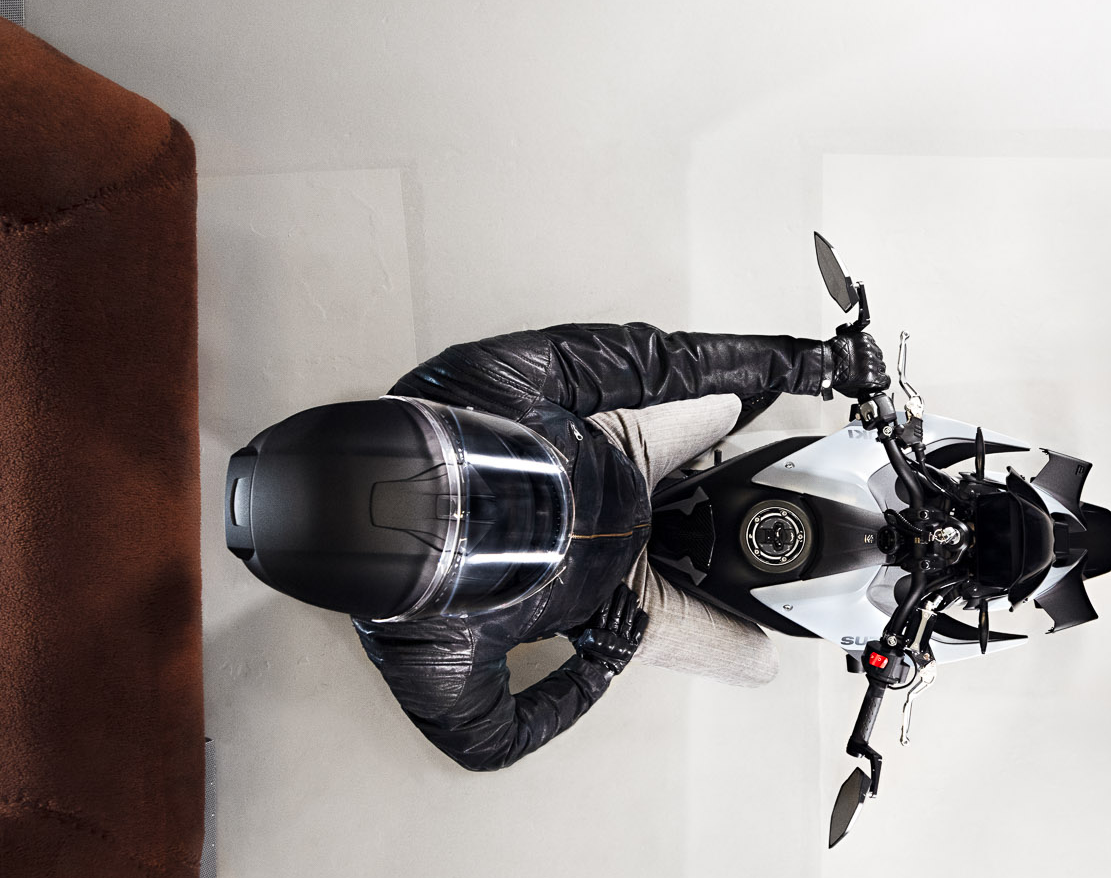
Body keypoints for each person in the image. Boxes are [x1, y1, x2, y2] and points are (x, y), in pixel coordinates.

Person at [223, 322, 889, 770]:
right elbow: (489, 745)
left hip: (622, 454)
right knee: (756, 663)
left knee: (734, 394)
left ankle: (713, 465)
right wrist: (597, 667)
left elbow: (650, 362)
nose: (498, 513)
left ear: (442, 419)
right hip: (617, 598)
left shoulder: (469, 380)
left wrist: (817, 364)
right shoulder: (426, 650)